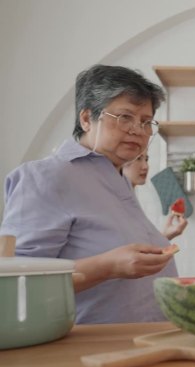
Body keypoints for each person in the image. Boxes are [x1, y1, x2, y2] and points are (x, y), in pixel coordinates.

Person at [0, 64, 177, 324]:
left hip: (144, 344)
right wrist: (108, 266)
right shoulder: (45, 176)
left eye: (146, 121)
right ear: (86, 118)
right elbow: (19, 285)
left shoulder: (118, 178)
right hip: (89, 349)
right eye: (124, 117)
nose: (137, 130)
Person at [123, 150, 188, 240]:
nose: (146, 166)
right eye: (138, 159)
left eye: (146, 159)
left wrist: (166, 236)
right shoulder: (116, 204)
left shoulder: (131, 200)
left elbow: (140, 247)